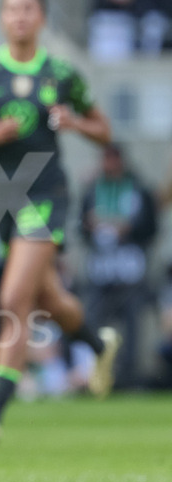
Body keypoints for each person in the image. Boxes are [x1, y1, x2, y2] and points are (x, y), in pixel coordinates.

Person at [0, 0, 120, 448]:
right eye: (12, 9)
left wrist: (76, 123)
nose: (20, 17)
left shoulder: (61, 74)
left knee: (14, 298)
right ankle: (100, 346)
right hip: (5, 199)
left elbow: (104, 131)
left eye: (29, 9)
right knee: (50, 300)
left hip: (48, 194)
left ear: (41, 18)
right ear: (2, 18)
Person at [78, 143, 157, 389]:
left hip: (129, 269)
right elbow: (81, 227)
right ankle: (93, 374)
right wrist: (90, 228)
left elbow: (151, 228)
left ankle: (129, 377)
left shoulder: (138, 190)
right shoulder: (92, 190)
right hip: (101, 269)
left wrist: (130, 230)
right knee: (92, 320)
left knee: (132, 325)